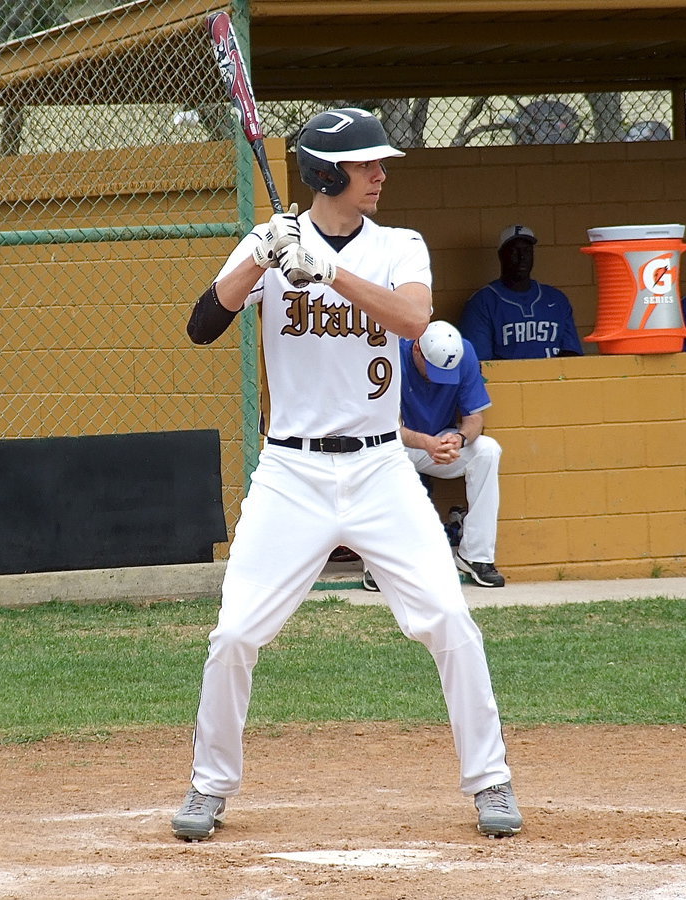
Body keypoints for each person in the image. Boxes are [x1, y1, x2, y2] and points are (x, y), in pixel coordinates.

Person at [177, 107, 521, 842]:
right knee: (234, 634)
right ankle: (209, 787)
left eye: (378, 163)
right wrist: (261, 257)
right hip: (289, 472)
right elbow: (202, 325)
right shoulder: (272, 242)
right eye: (366, 164)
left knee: (450, 618)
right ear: (326, 174)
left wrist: (329, 270)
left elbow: (412, 319)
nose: (380, 174)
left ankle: (491, 780)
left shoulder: (399, 245)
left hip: (380, 467)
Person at [361, 321, 504, 590]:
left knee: (487, 450)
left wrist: (459, 439)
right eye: (433, 369)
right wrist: (427, 443)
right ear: (417, 349)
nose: (438, 377)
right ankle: (379, 563)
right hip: (395, 444)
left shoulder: (463, 353)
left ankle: (476, 556)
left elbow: (475, 418)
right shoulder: (390, 353)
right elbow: (382, 426)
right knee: (374, 450)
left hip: (438, 441)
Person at [459, 225, 583, 360]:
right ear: (501, 256)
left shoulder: (556, 299)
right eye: (514, 251)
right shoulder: (483, 302)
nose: (522, 257)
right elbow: (479, 363)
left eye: (527, 251)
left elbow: (572, 355)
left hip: (553, 373)